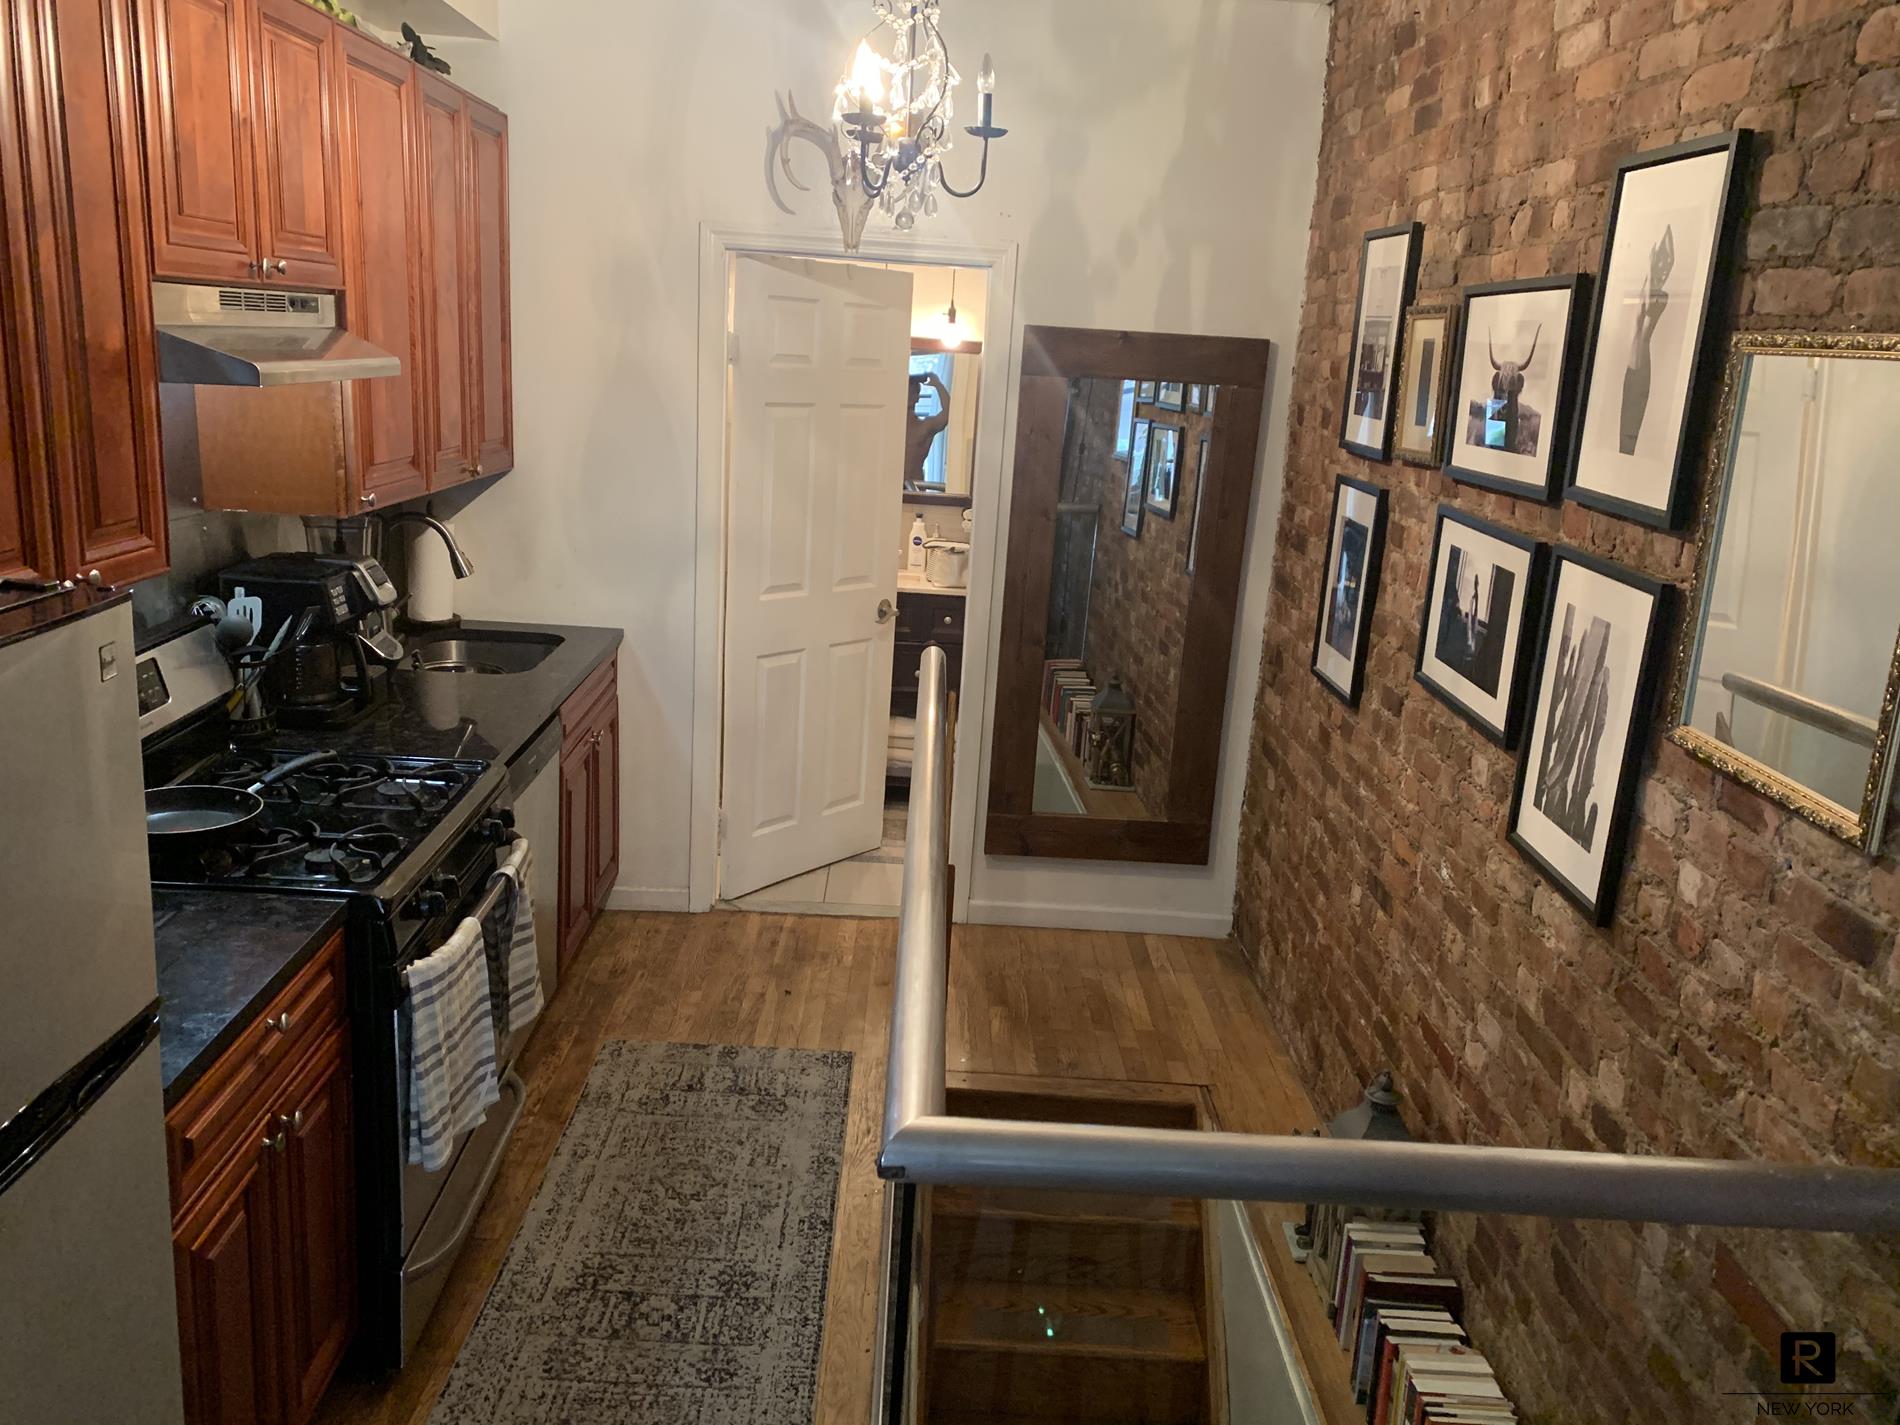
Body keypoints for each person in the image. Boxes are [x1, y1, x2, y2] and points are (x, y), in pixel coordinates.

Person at [906, 371, 951, 488]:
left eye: (913, 392)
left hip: (914, 489)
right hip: (889, 486)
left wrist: (937, 384)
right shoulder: (889, 424)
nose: (908, 395)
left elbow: (948, 413)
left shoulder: (924, 426)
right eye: (906, 391)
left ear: (917, 397)